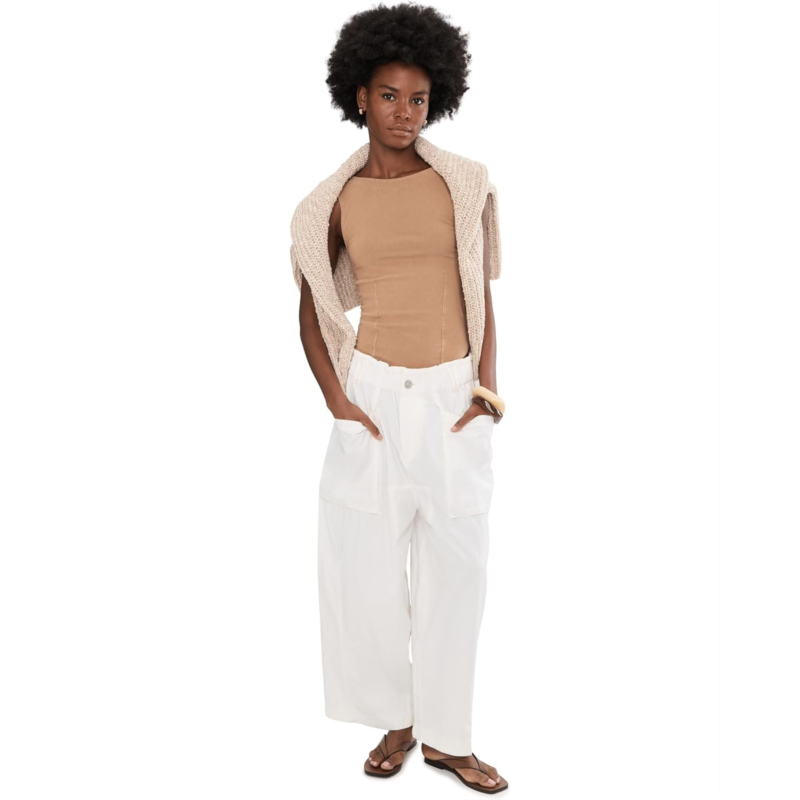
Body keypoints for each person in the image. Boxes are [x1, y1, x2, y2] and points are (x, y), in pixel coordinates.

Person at [290, 3, 508, 793]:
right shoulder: (331, 203)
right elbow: (313, 308)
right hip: (374, 397)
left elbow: (481, 295)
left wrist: (487, 392)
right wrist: (337, 402)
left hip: (453, 396)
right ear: (359, 96)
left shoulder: (463, 183)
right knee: (365, 572)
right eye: (388, 95)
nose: (404, 112)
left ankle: (449, 738)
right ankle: (397, 719)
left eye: (418, 98)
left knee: (459, 572)